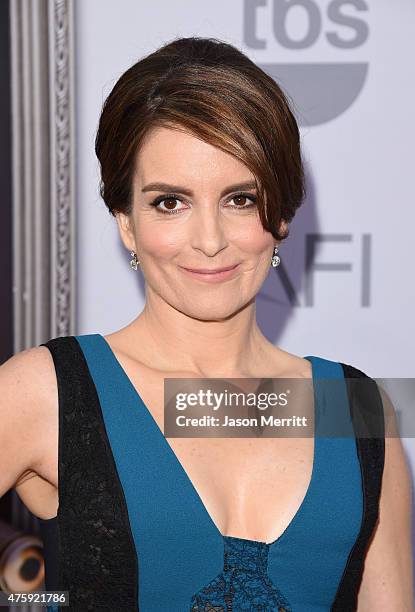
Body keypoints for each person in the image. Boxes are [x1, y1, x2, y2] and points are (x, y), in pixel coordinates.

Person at [0, 36, 413, 611]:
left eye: (240, 199)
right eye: (171, 202)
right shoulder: (43, 391)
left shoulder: (354, 408)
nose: (211, 240)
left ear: (283, 217)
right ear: (126, 223)